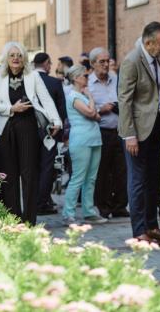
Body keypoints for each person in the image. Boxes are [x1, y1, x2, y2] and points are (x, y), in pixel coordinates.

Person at [0, 42, 62, 225]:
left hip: (28, 127)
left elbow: (46, 99)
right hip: (7, 128)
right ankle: (14, 219)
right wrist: (11, 108)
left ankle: (29, 220)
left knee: (29, 174)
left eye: (19, 55)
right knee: (10, 174)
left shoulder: (33, 76)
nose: (16, 58)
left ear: (24, 58)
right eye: (12, 55)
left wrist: (56, 120)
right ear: (6, 59)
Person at [117, 22, 160, 244]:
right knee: (138, 181)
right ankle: (139, 230)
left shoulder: (158, 57)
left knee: (153, 179)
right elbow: (124, 100)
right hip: (137, 132)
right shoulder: (132, 61)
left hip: (155, 127)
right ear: (148, 43)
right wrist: (129, 135)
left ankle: (152, 226)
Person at [62, 65, 107, 225]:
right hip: (81, 140)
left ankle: (89, 212)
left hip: (94, 138)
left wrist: (93, 110)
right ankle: (68, 213)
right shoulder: (73, 96)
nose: (88, 78)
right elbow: (90, 113)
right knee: (78, 177)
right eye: (85, 76)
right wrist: (91, 99)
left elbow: (97, 116)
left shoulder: (82, 96)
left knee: (91, 178)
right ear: (76, 78)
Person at [89, 47, 128, 219]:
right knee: (102, 171)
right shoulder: (88, 83)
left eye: (107, 61)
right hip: (100, 131)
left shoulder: (116, 79)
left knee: (121, 170)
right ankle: (103, 206)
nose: (106, 64)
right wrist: (101, 109)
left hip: (119, 131)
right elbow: (84, 107)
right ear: (93, 64)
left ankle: (120, 206)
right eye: (101, 62)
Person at [33, 52, 68, 215]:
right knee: (47, 168)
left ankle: (33, 200)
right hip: (51, 132)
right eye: (50, 63)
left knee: (32, 167)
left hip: (31, 132)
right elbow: (62, 110)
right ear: (46, 63)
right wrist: (59, 131)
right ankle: (42, 202)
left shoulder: (27, 81)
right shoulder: (54, 82)